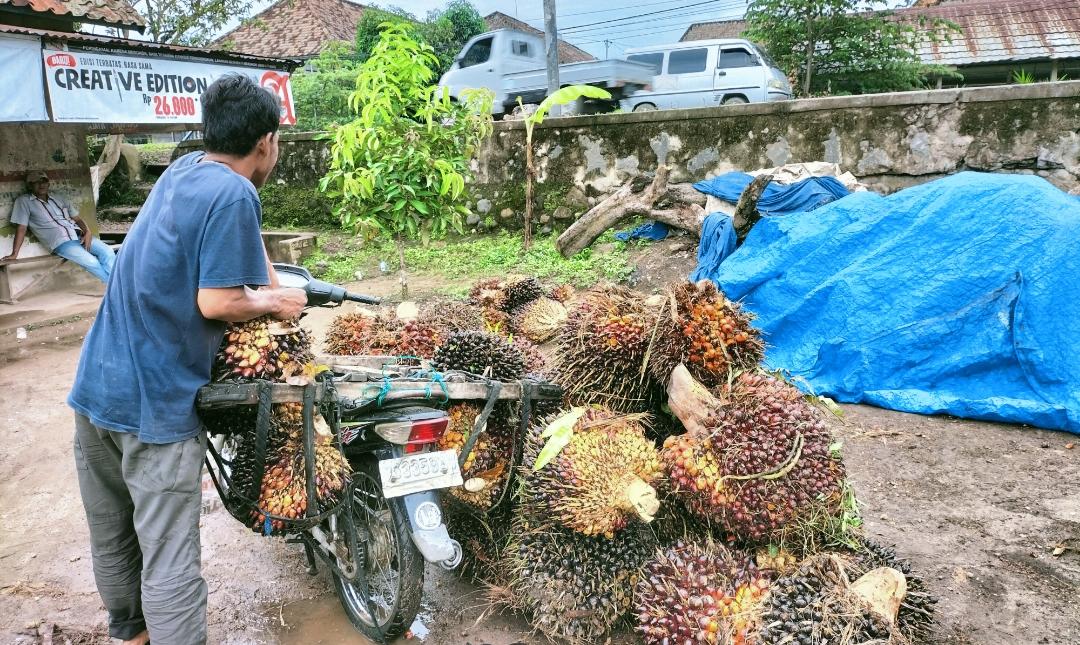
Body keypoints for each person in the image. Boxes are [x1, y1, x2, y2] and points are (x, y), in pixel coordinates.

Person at [66, 74, 307, 645]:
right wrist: (276, 300)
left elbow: (238, 258)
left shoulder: (183, 170)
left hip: (95, 389)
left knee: (114, 536)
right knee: (169, 555)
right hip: (156, 409)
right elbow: (217, 300)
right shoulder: (234, 192)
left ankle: (130, 635)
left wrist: (269, 281)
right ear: (267, 141)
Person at [2, 171, 116, 282]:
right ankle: (116, 290)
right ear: (30, 185)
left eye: (44, 181)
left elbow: (77, 219)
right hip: (61, 243)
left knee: (108, 252)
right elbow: (21, 228)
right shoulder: (24, 201)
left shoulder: (59, 198)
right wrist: (14, 253)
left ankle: (119, 286)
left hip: (79, 236)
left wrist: (88, 232)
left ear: (48, 183)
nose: (41, 184)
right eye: (36, 182)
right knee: (92, 262)